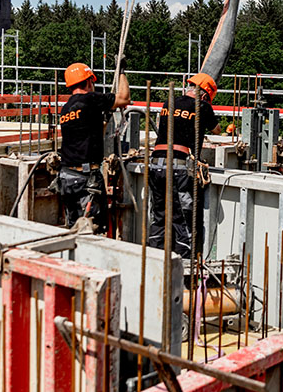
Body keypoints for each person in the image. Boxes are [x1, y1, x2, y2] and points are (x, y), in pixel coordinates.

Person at [148, 73, 221, 259]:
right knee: (183, 221)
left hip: (156, 164)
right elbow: (217, 130)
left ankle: (154, 260)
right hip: (178, 168)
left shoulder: (169, 102)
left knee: (159, 217)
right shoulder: (202, 106)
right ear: (205, 95)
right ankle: (184, 268)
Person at [57, 61, 130, 231]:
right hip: (85, 179)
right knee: (91, 228)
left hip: (66, 177)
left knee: (73, 228)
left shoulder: (66, 108)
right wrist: (121, 72)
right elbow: (125, 98)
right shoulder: (91, 99)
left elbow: (90, 131)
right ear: (89, 81)